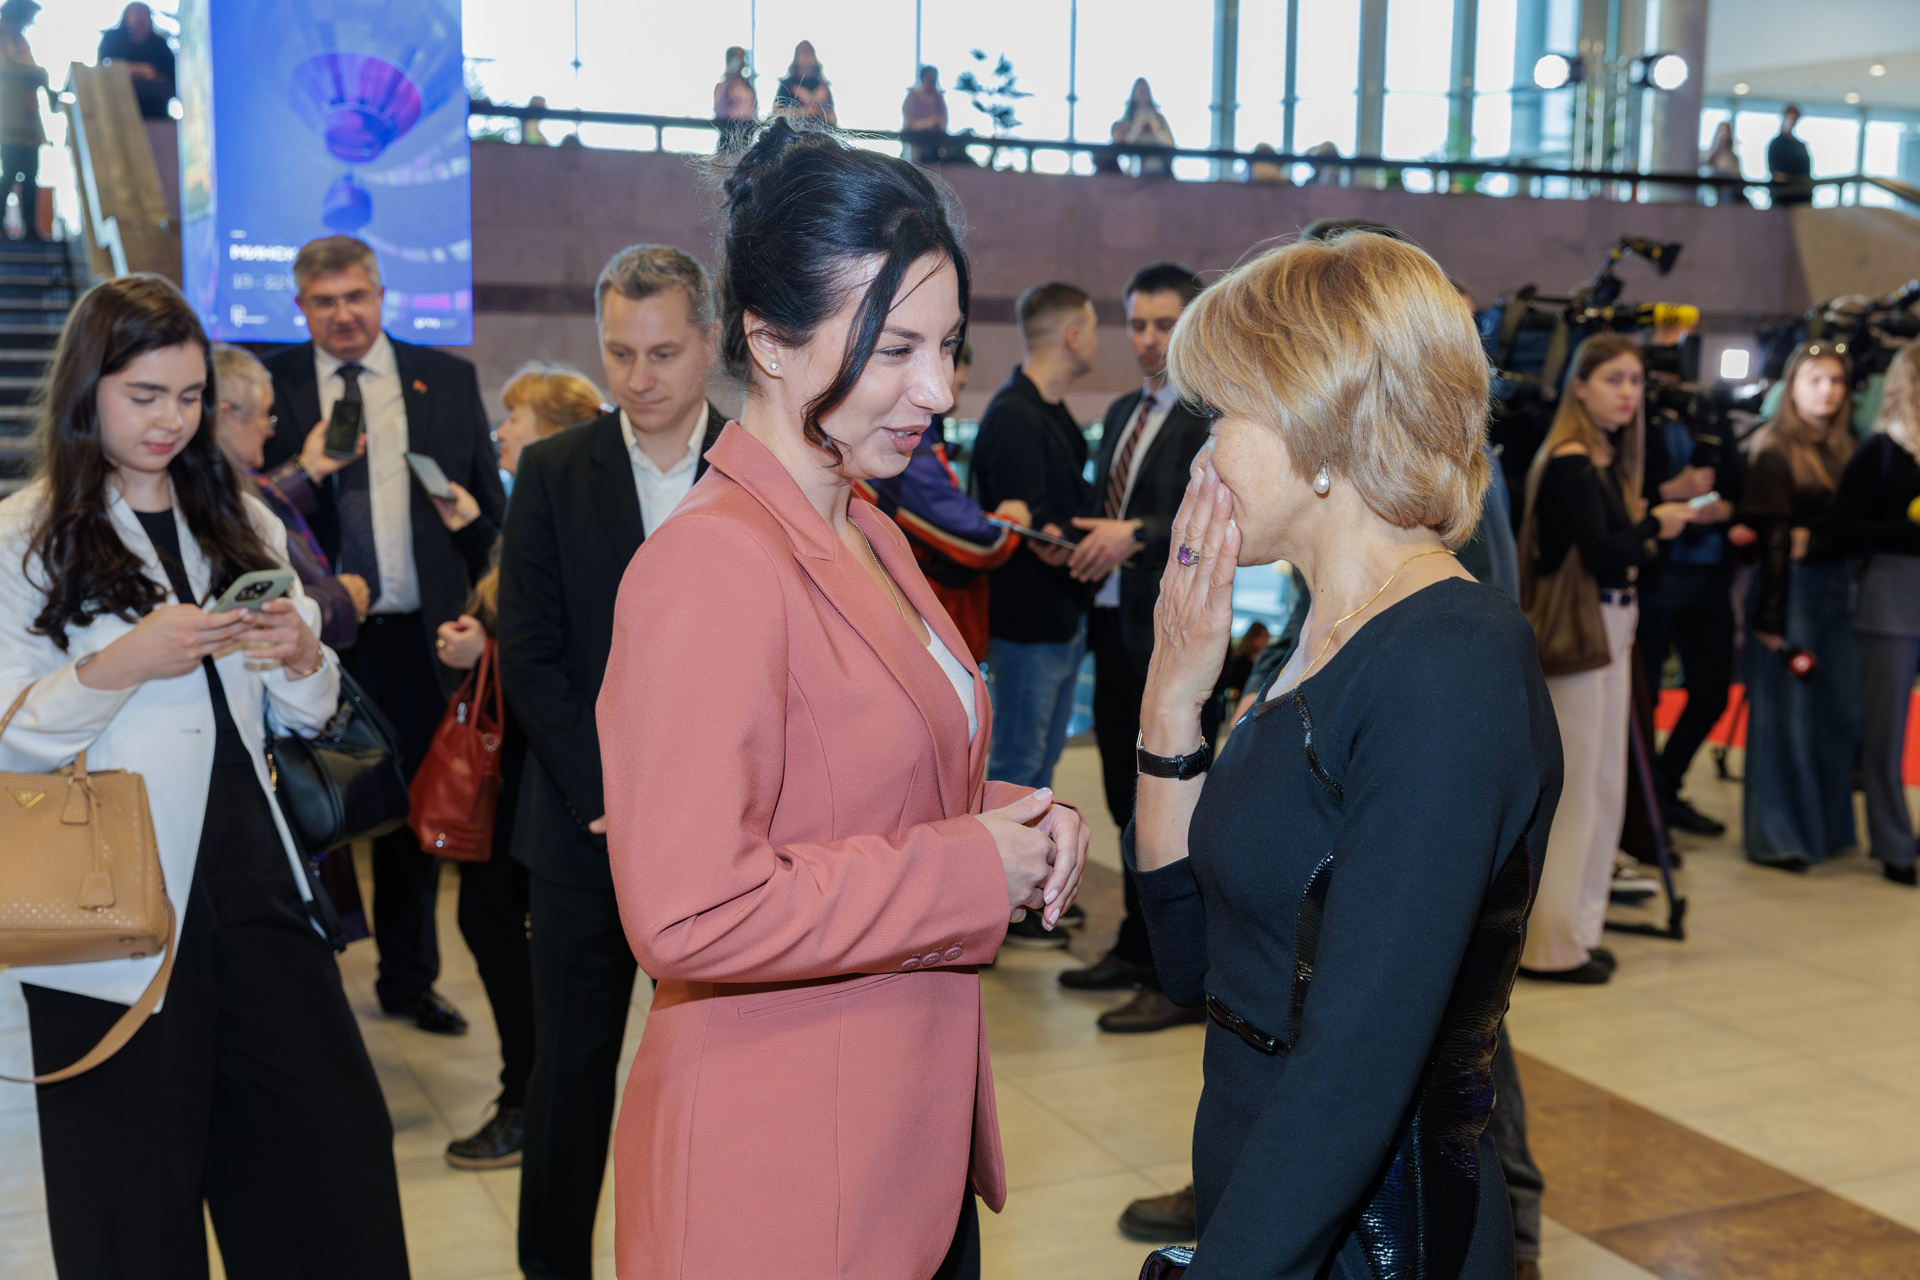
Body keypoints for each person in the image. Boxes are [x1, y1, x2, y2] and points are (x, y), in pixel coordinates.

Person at [596, 119, 1089, 1280]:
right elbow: (689, 910)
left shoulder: (867, 525)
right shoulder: (711, 561)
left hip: (896, 1140)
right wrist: (969, 868)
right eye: (894, 347)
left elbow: (863, 776)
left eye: (949, 346)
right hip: (783, 1168)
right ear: (769, 339)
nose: (939, 388)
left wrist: (1016, 813)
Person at [1127, 229, 1562, 1278]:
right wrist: (1172, 699)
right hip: (1270, 1193)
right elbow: (1195, 961)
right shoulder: (1315, 635)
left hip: (1369, 1238)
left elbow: (1357, 1066)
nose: (1202, 458)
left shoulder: (1448, 660)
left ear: (1321, 419)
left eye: (1222, 416)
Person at [0, 274, 408, 1277]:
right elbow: (11, 735)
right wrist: (120, 664)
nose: (170, 421)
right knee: (132, 1200)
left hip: (257, 879)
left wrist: (302, 656)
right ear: (88, 390)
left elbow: (304, 713)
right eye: (145, 395)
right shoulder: (25, 535)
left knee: (331, 1162)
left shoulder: (240, 518)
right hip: (110, 901)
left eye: (189, 397)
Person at [496, 244, 727, 1280]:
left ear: (710, 343)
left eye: (663, 352)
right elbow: (531, 654)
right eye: (620, 352)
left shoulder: (760, 466)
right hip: (583, 829)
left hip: (730, 835)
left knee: (721, 1076)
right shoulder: (554, 471)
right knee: (571, 1075)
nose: (639, 377)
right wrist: (613, 795)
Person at [260, 234, 506, 1035]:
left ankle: (409, 978)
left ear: (381, 294)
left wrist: (485, 614)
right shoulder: (271, 385)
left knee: (409, 814)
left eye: (355, 296)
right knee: (309, 807)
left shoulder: (446, 379)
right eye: (324, 302)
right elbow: (246, 506)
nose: (343, 315)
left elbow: (490, 519)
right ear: (301, 307)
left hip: (421, 637)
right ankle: (307, 980)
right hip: (312, 640)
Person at [421, 363, 600, 1173]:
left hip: (544, 775)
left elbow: (558, 649)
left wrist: (484, 652)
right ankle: (528, 1092)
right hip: (524, 771)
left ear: (554, 432)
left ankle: (530, 1098)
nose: (500, 432)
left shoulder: (576, 512)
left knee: (501, 927)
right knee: (491, 924)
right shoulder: (539, 505)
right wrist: (468, 528)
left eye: (515, 419)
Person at [1518, 335, 1703, 984]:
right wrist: (1655, 525)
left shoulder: (1597, 458)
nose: (1628, 393)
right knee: (1577, 792)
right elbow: (1603, 551)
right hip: (1581, 632)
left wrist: (1647, 528)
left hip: (1609, 623)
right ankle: (1551, 944)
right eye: (1614, 379)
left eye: (1635, 380)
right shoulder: (1571, 460)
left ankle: (1576, 931)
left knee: (1602, 785)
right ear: (1579, 385)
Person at [1059, 262, 1213, 1025]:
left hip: (1170, 635)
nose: (1150, 339)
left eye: (1165, 324)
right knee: (1124, 792)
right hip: (1111, 625)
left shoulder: (1210, 413)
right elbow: (1106, 508)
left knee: (1170, 802)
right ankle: (1133, 941)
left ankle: (1175, 973)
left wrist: (1139, 536)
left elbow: (1214, 518)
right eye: (1139, 324)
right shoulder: (1124, 408)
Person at [970, 282, 1097, 804]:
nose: (1096, 343)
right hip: (1028, 629)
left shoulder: (1051, 411)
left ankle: (1039, 860)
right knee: (1019, 769)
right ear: (1072, 336)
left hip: (1060, 619)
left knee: (1041, 766)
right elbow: (1033, 530)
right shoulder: (1014, 415)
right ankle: (1005, 863)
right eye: (1092, 331)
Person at [1740, 340, 1859, 870]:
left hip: (1839, 595)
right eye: (1815, 379)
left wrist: (1819, 540)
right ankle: (1780, 836)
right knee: (1786, 719)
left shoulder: (1848, 450)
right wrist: (1770, 619)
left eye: (1836, 380)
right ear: (1793, 387)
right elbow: (1775, 546)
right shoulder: (1775, 450)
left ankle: (1826, 832)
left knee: (1838, 716)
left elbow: (1855, 530)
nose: (1827, 391)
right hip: (1789, 597)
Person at [857, 341, 1027, 661]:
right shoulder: (906, 450)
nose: (949, 398)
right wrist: (1011, 521)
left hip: (923, 627)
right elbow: (977, 539)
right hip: (918, 632)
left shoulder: (922, 441)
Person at [1828, 342, 1920, 886]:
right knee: (1886, 735)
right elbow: (1844, 528)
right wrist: (1905, 529)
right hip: (1891, 598)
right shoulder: (1882, 450)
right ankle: (1893, 843)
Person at [209, 344, 368, 652]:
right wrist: (339, 599)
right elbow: (258, 609)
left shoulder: (224, 482)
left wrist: (307, 470)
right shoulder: (216, 492)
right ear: (227, 416)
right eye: (263, 414)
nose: (269, 430)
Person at [1636, 387, 1740, 836]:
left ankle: (1665, 786)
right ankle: (1644, 805)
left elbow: (1743, 490)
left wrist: (1726, 510)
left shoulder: (1714, 419)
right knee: (1647, 698)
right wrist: (1670, 491)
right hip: (1657, 577)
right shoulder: (1639, 418)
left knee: (1712, 693)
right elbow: (1621, 495)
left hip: (1711, 575)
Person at [0, 0, 47, 243]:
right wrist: (39, 72)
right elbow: (8, 66)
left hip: (29, 117)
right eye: (28, 16)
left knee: (30, 174)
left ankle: (31, 227)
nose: (30, 22)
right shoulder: (2, 35)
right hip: (10, 118)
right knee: (10, 172)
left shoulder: (21, 39)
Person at [98, 3, 174, 119]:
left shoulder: (159, 44)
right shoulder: (112, 39)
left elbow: (170, 72)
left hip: (154, 110)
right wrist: (130, 70)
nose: (141, 20)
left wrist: (146, 73)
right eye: (137, 15)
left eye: (145, 15)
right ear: (126, 17)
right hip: (117, 106)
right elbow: (102, 66)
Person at [1116, 77, 1175, 176]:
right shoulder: (1128, 120)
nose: (1142, 95)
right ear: (1134, 95)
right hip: (1134, 171)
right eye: (1140, 91)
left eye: (1145, 91)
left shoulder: (1159, 119)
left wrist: (1154, 133)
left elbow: (1170, 144)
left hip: (1157, 171)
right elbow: (1122, 145)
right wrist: (1137, 131)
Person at [774, 40, 835, 125]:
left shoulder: (822, 86)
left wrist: (820, 113)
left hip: (821, 132)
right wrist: (804, 112)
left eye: (808, 52)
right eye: (802, 52)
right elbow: (776, 114)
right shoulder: (787, 84)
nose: (805, 57)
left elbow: (833, 118)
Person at [903, 65, 951, 165]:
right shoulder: (912, 96)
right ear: (922, 79)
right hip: (914, 145)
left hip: (934, 148)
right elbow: (910, 123)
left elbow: (943, 124)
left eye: (934, 80)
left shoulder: (939, 98)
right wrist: (929, 123)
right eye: (930, 80)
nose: (932, 84)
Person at [1767, 105, 1813, 207]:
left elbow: (1807, 172)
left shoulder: (1800, 146)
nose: (1793, 122)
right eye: (1791, 118)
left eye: (1795, 119)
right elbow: (1777, 175)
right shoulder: (1776, 144)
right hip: (1782, 197)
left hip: (1802, 197)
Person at [713, 46, 757, 151]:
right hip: (729, 134)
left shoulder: (748, 85)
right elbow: (720, 110)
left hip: (747, 133)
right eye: (737, 58)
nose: (740, 61)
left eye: (742, 57)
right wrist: (729, 79)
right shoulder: (723, 85)